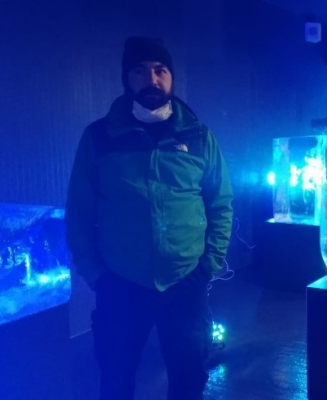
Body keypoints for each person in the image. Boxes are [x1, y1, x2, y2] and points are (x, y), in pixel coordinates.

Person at [65, 36, 234, 400]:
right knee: (115, 379)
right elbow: (78, 212)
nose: (152, 80)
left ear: (171, 77)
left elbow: (220, 204)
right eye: (140, 71)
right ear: (127, 78)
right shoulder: (99, 137)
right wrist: (96, 275)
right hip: (121, 284)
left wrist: (208, 266)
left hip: (185, 282)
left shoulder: (199, 136)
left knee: (188, 380)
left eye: (160, 70)